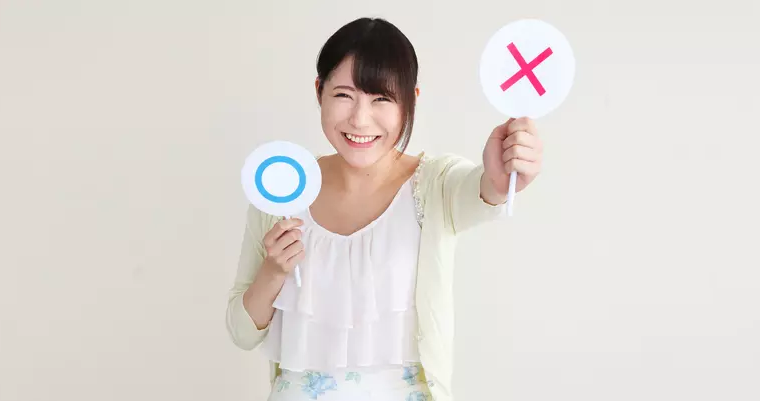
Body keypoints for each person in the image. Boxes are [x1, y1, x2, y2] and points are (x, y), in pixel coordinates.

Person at [225, 17, 544, 401]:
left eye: (382, 99)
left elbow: (482, 192)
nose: (360, 119)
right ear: (319, 91)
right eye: (344, 95)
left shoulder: (433, 184)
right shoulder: (281, 191)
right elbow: (241, 332)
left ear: (412, 100)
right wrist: (273, 271)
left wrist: (501, 177)